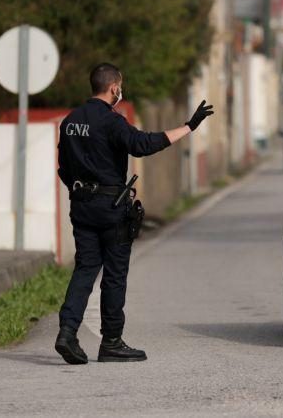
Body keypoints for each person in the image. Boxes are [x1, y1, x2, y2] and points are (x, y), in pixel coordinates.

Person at [54, 63, 214, 365]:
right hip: (111, 208)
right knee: (114, 275)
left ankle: (67, 332)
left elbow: (63, 168)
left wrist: (80, 192)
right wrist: (189, 126)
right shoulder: (112, 121)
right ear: (114, 88)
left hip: (81, 206)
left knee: (85, 269)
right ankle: (111, 342)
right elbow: (143, 144)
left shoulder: (70, 121)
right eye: (120, 86)